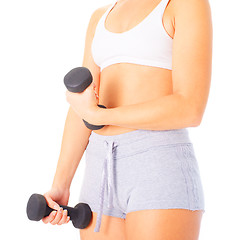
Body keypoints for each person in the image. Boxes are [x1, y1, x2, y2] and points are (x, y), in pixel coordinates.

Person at [42, 0, 212, 239]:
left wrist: (101, 116)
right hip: (99, 166)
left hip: (157, 162)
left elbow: (190, 107)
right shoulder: (99, 17)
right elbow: (82, 107)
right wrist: (61, 185)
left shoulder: (183, 5)